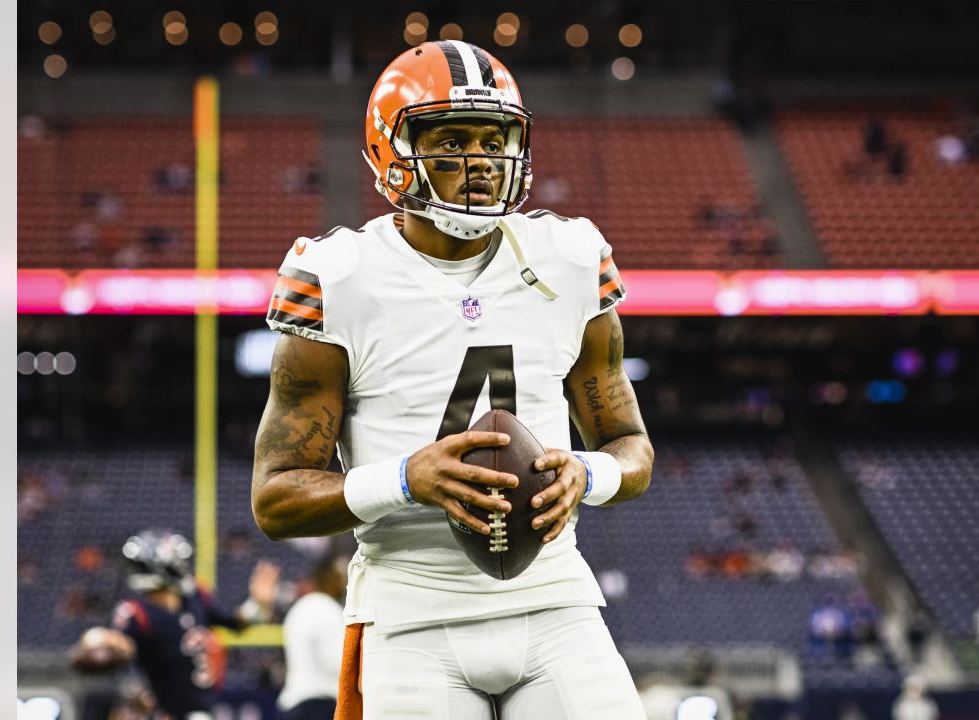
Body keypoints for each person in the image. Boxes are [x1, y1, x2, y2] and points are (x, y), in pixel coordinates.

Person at [250, 40, 654, 720]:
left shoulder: (570, 259)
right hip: (411, 616)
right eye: (451, 140)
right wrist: (407, 479)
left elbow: (632, 448)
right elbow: (276, 499)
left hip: (555, 602)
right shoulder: (338, 277)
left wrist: (587, 473)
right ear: (392, 152)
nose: (480, 162)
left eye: (494, 141)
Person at [70, 530, 279, 720]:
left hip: (206, 707)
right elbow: (113, 642)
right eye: (177, 561)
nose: (183, 566)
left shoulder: (195, 597)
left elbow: (238, 623)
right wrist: (98, 642)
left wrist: (258, 605)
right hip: (169, 712)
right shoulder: (137, 613)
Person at [278, 555, 349, 720]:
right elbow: (337, 662)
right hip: (317, 705)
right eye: (339, 576)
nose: (344, 582)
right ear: (328, 578)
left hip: (293, 702)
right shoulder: (328, 608)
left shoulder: (300, 607)